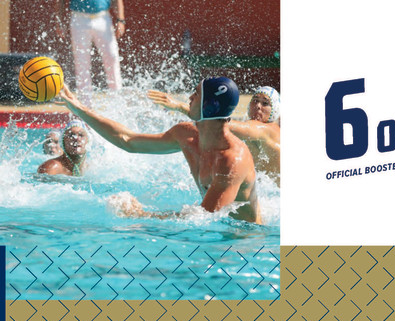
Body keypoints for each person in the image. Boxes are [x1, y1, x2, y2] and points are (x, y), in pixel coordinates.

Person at [58, 77, 262, 224]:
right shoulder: (187, 135)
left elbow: (204, 218)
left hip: (244, 243)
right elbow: (127, 140)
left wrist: (140, 215)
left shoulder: (231, 161)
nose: (189, 97)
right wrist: (78, 108)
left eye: (197, 93)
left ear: (210, 107)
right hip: (219, 235)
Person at [147, 86, 281, 184]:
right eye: (255, 100)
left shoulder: (265, 130)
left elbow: (221, 123)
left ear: (275, 110)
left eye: (265, 103)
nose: (258, 106)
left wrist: (180, 107)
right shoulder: (257, 130)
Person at [55, 0, 125, 106]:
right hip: (79, 19)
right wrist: (59, 21)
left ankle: (117, 100)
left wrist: (121, 20)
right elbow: (60, 1)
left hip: (103, 18)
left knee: (112, 57)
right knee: (81, 63)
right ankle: (85, 105)